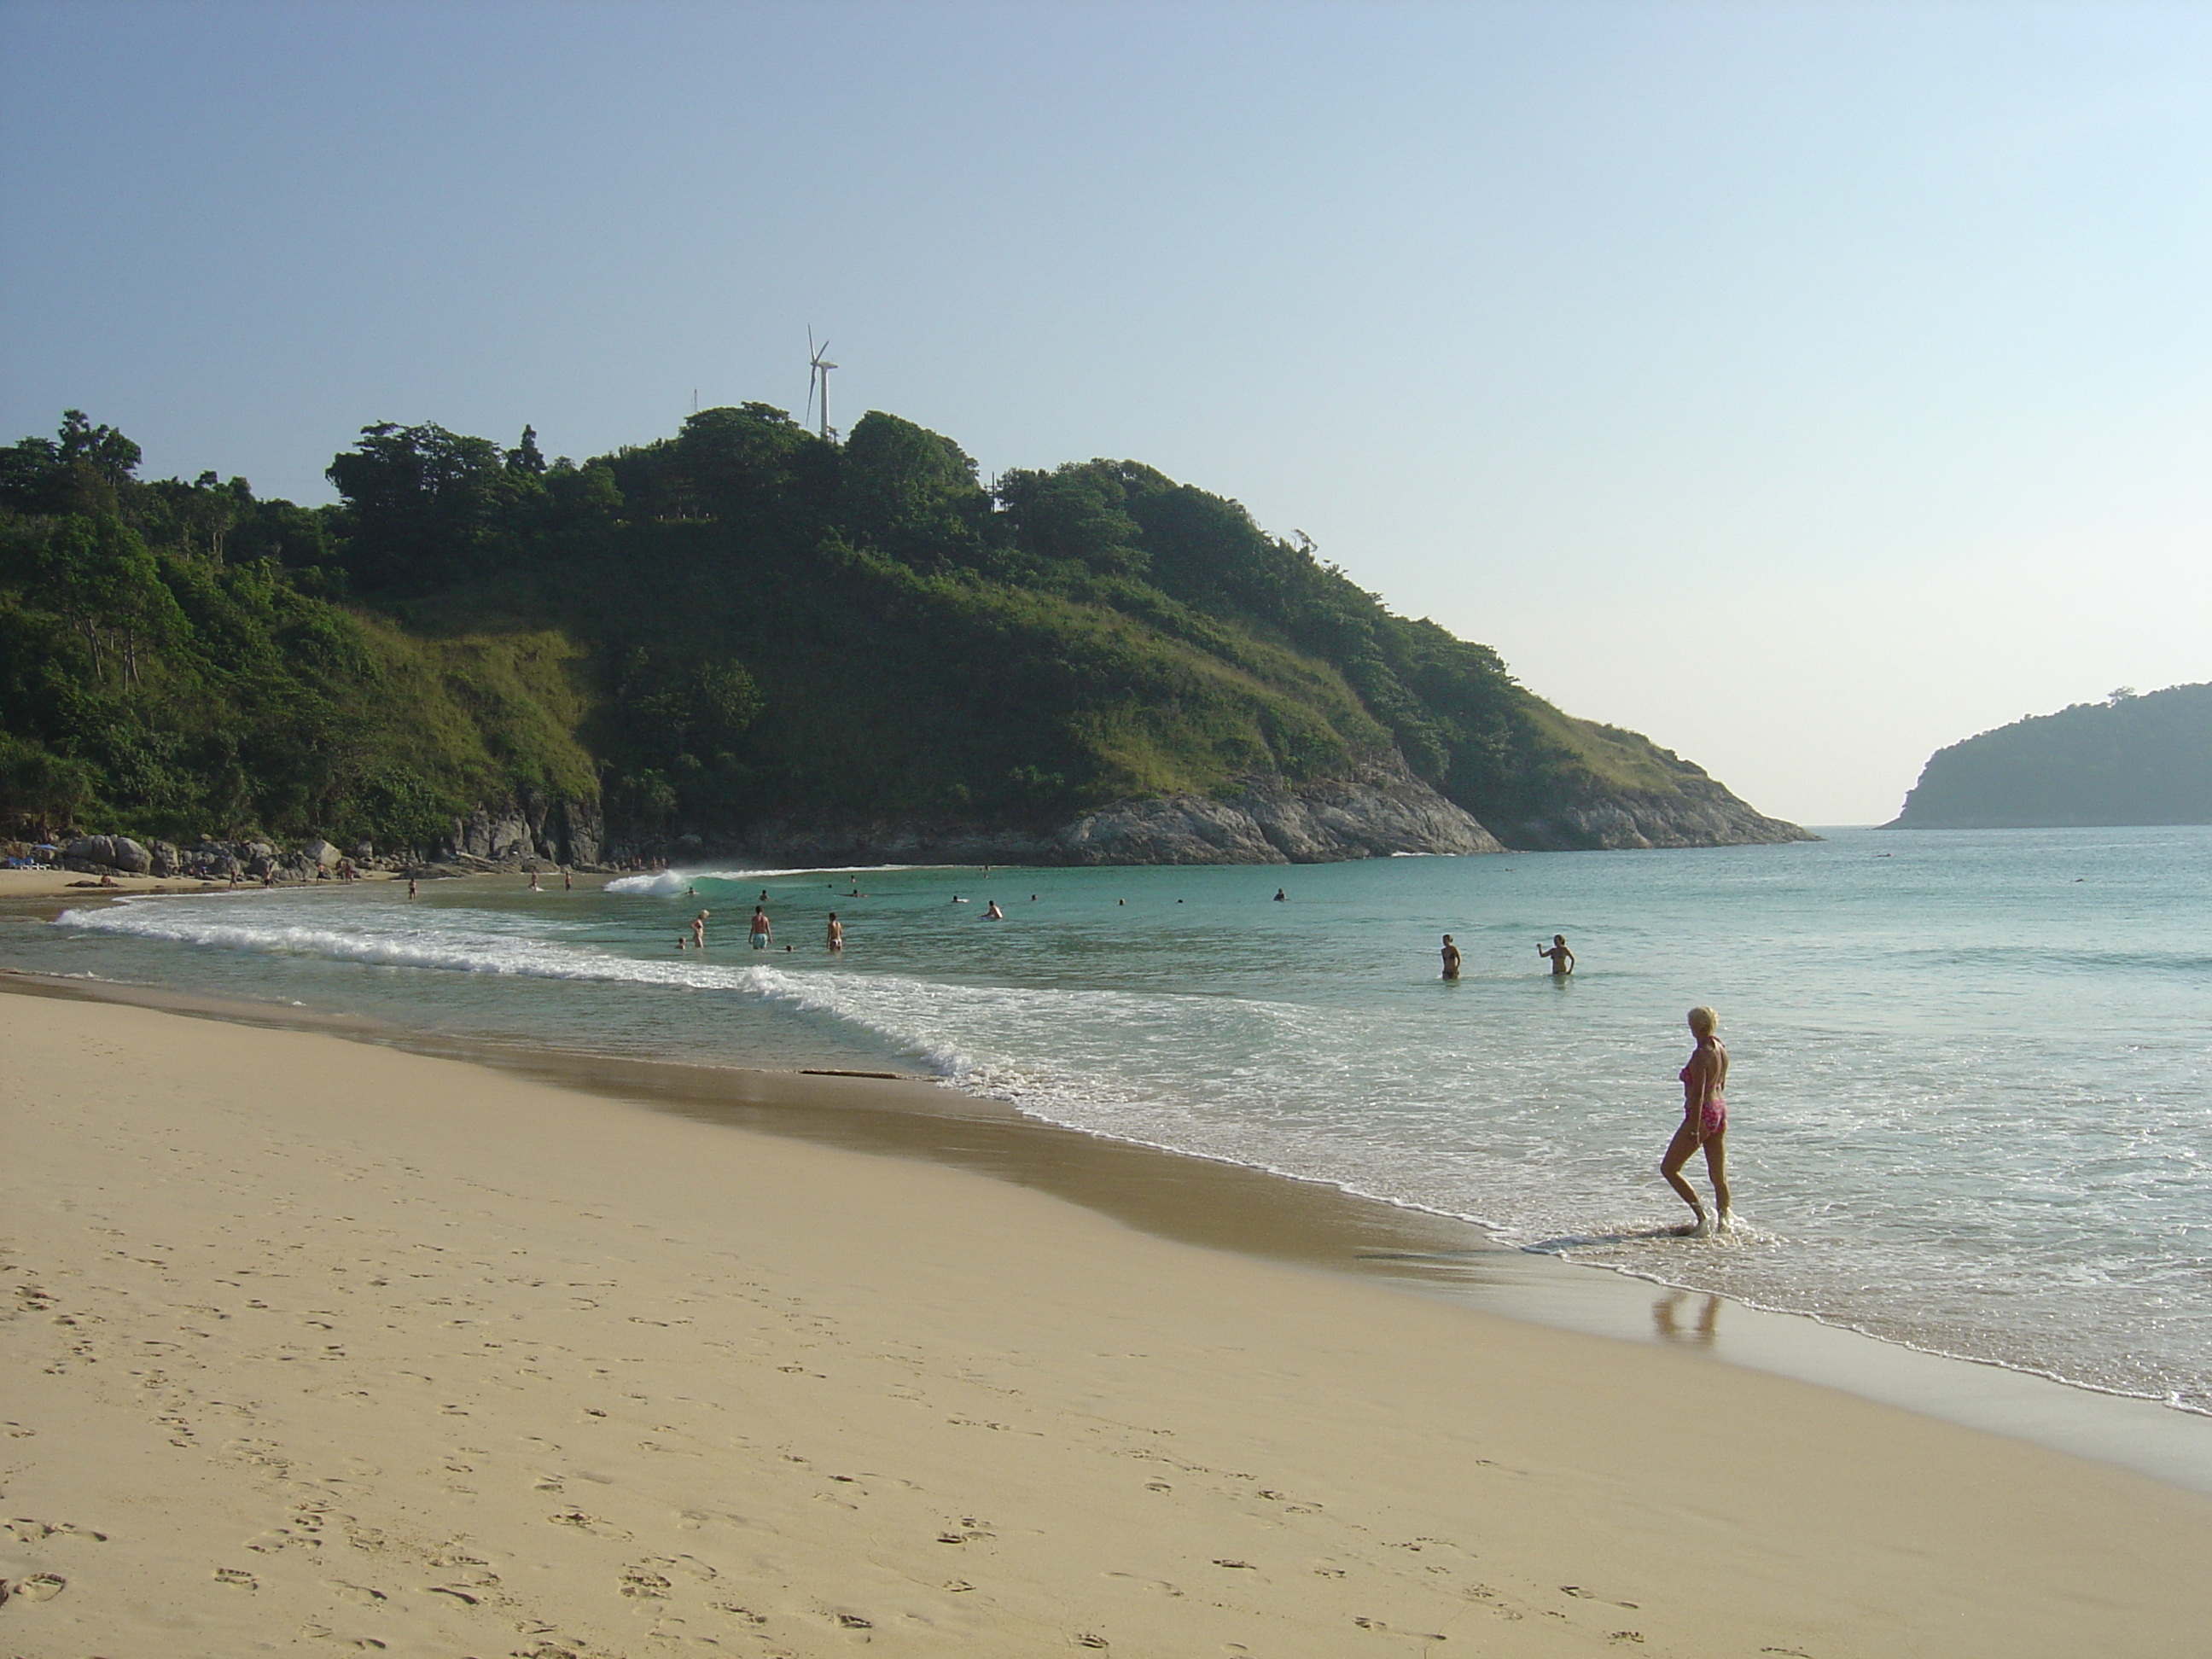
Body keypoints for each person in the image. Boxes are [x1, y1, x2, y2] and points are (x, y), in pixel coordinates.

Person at [1661, 1005, 1732, 1237]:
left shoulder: (1700, 1054)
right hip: (1720, 1110)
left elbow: (1698, 1093)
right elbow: (1722, 1082)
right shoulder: (1720, 1047)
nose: (1689, 1027)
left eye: (1691, 1024)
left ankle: (1702, 1218)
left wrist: (1693, 1126)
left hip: (1702, 1113)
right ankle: (1724, 1223)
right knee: (1718, 1176)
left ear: (1699, 1026)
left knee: (1670, 1168)